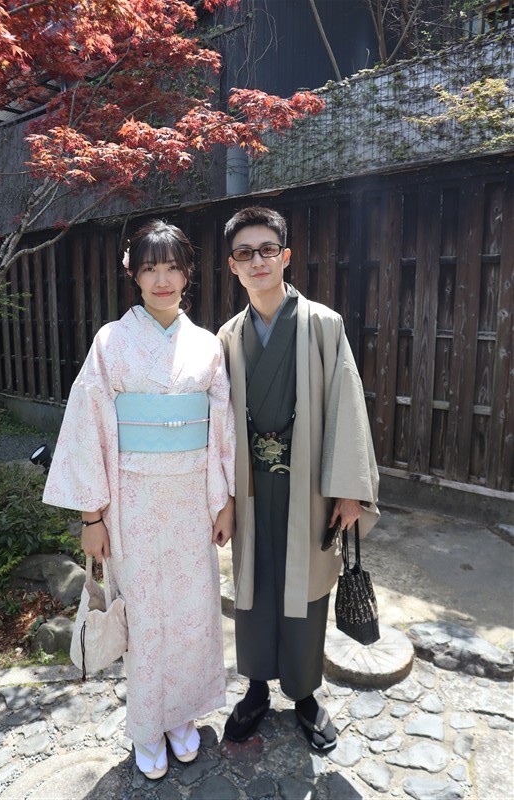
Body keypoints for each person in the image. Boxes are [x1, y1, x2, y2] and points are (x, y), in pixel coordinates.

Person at [43, 220, 235, 779]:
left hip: (192, 500)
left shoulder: (207, 346)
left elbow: (220, 427)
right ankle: (148, 724)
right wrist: (92, 516)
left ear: (188, 273)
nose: (162, 278)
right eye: (150, 267)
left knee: (194, 611)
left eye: (173, 267)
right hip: (132, 503)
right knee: (146, 616)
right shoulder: (111, 343)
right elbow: (89, 427)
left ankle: (183, 715)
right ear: (134, 273)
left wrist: (223, 501)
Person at [217, 206, 379, 752]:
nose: (257, 261)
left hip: (308, 485)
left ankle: (305, 694)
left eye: (268, 250)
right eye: (244, 253)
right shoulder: (228, 337)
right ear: (233, 266)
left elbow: (347, 406)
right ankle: (256, 688)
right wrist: (220, 497)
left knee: (305, 589)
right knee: (253, 584)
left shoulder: (323, 325)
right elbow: (217, 423)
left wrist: (349, 490)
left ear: (285, 256)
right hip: (250, 488)